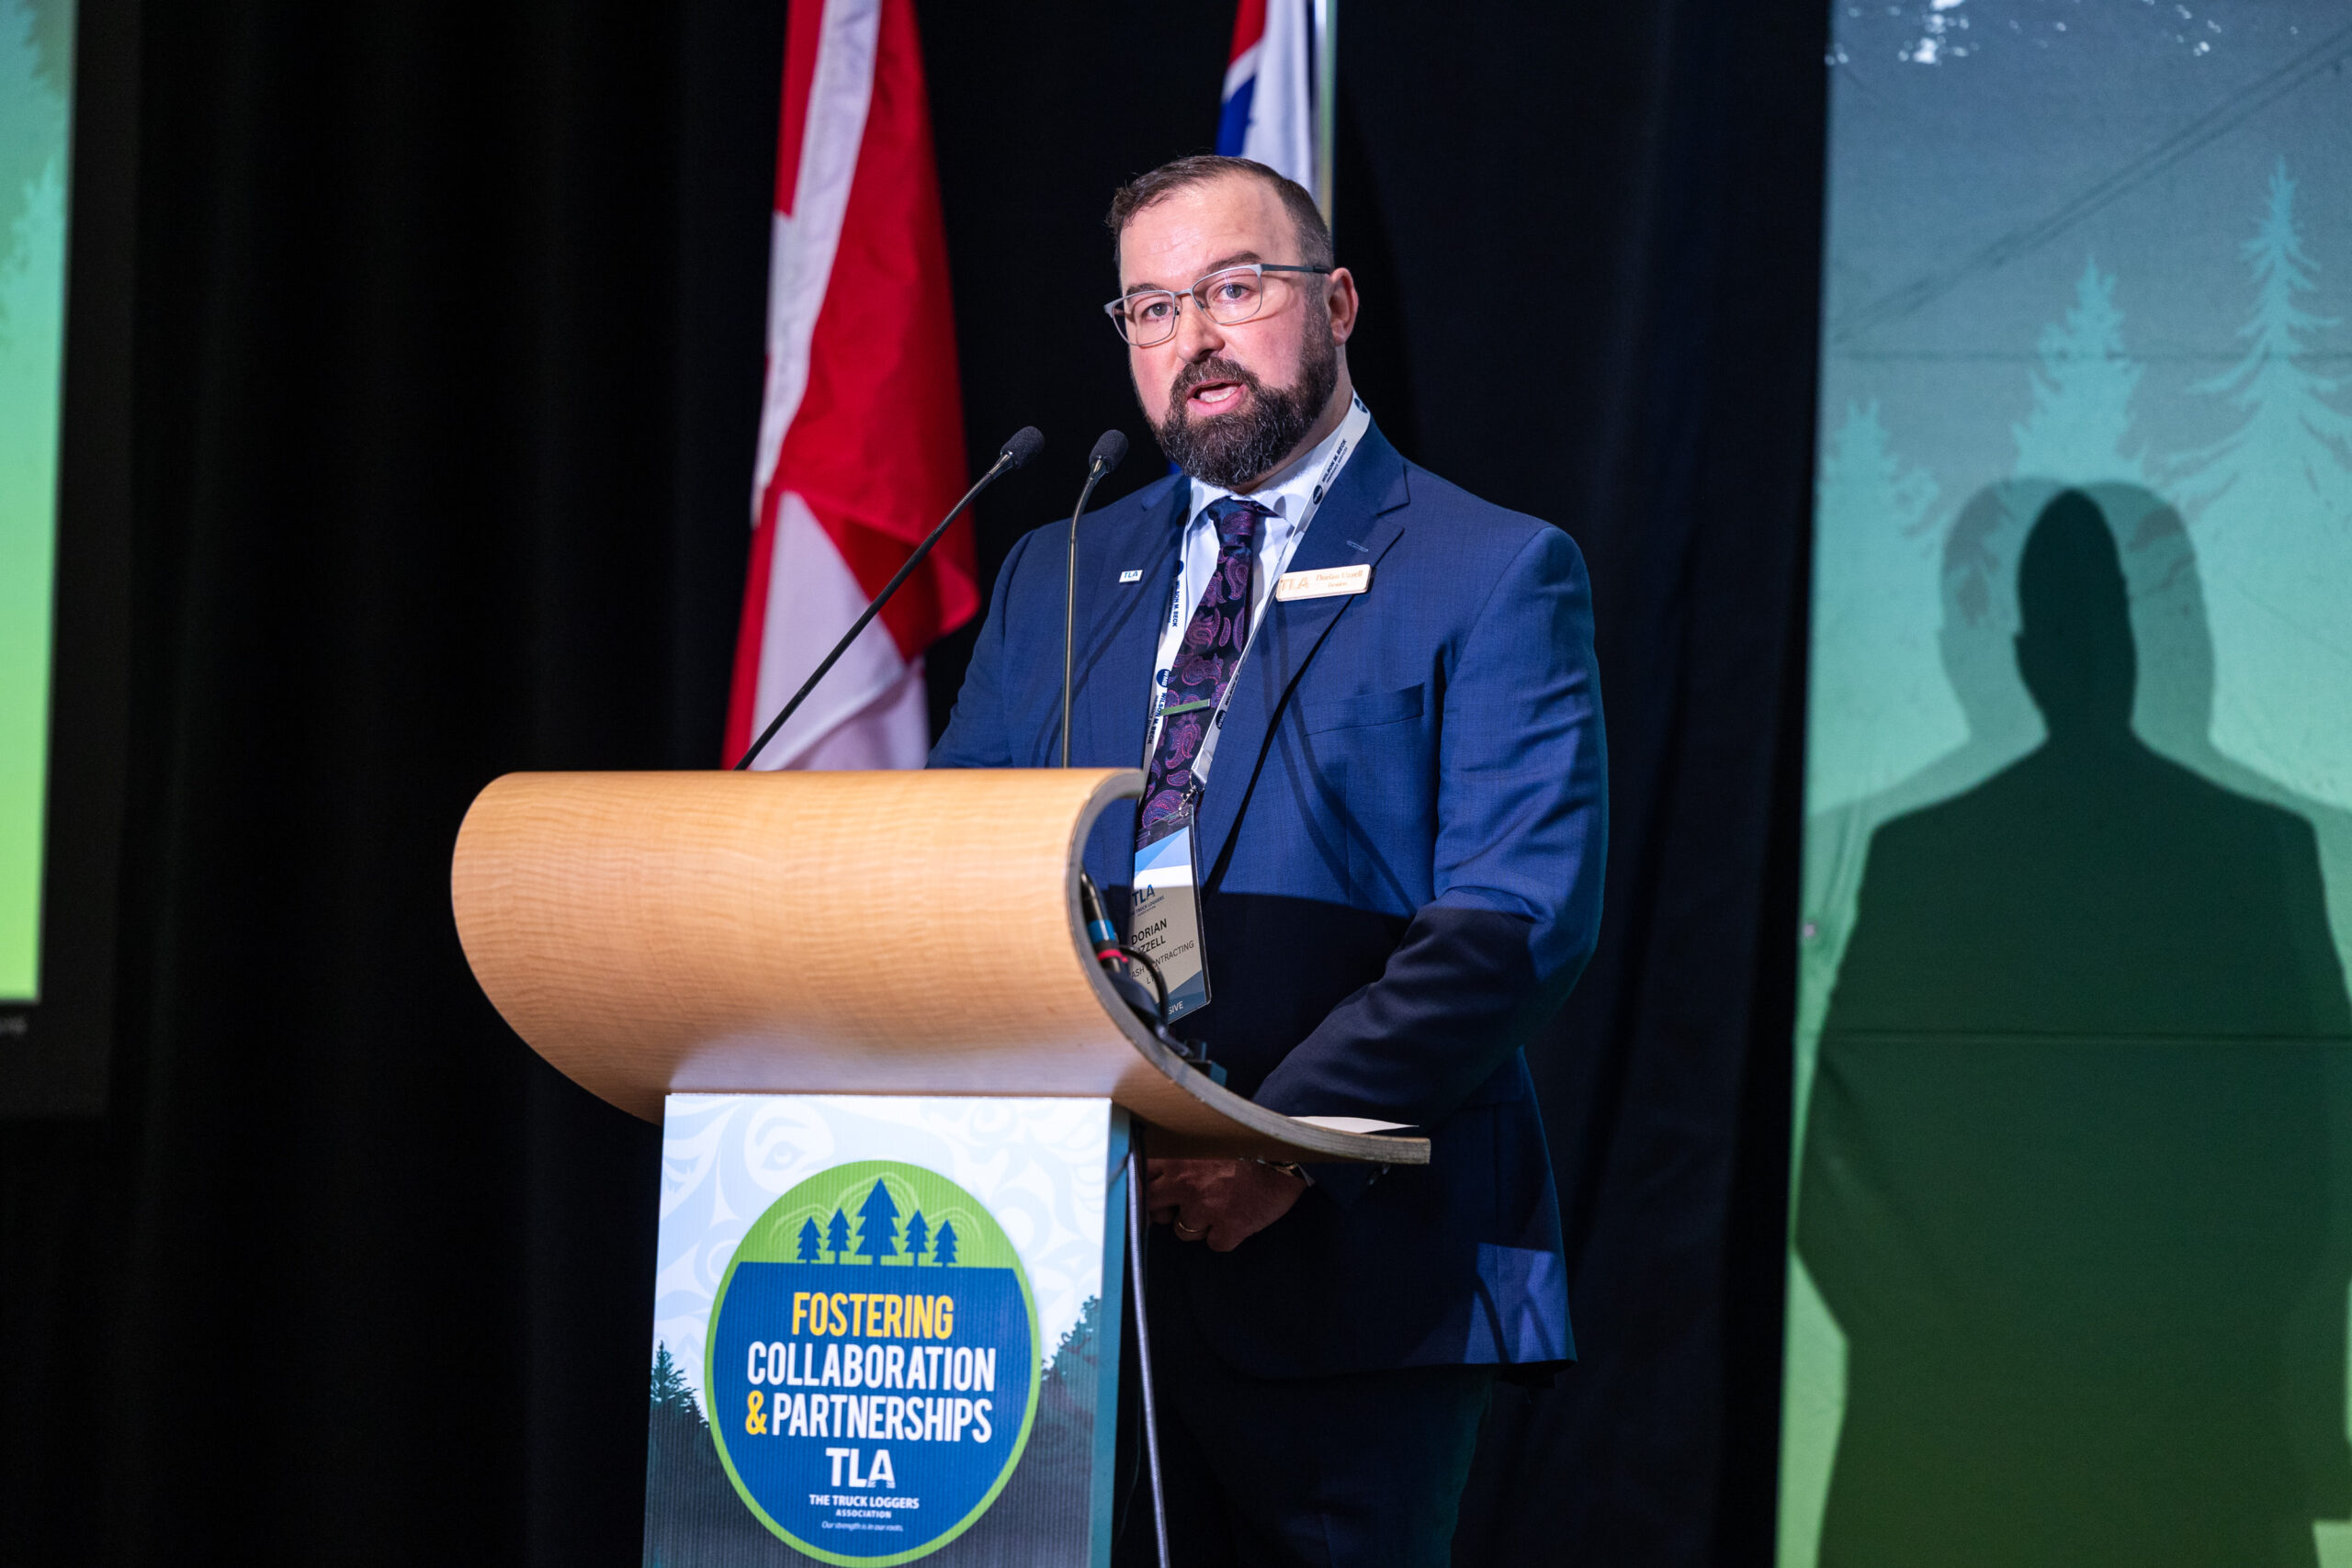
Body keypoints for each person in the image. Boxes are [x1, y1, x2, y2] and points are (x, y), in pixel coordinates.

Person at [929, 154, 1607, 1566]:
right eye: (1152, 308)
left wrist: (1276, 1146)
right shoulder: (1058, 571)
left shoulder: (1491, 569)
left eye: (1234, 289)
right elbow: (956, 865)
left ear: (1337, 303)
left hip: (1349, 1277)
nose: (1195, 338)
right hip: (1062, 1265)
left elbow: (1514, 918)